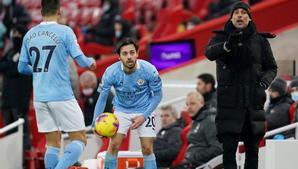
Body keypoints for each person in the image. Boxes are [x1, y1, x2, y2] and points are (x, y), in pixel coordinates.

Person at [17, 0, 96, 169]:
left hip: (40, 97)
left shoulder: (29, 35)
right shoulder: (65, 31)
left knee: (52, 144)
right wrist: (91, 62)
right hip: (61, 95)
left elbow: (21, 67)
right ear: (59, 12)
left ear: (41, 12)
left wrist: (40, 71)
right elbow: (81, 60)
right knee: (80, 139)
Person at [205, 2, 277, 169]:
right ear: (231, 18)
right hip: (229, 105)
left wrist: (263, 83)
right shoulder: (221, 38)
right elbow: (209, 53)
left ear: (249, 18)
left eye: (243, 13)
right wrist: (227, 46)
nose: (239, 15)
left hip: (253, 104)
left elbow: (271, 67)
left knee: (253, 153)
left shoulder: (260, 40)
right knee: (229, 153)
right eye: (236, 12)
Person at [92, 38, 162, 169]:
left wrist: (144, 115)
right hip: (121, 110)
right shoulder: (111, 72)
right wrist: (95, 122)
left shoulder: (149, 70)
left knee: (147, 148)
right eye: (125, 53)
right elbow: (102, 98)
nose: (129, 57)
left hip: (145, 109)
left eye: (132, 52)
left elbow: (158, 95)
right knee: (113, 145)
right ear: (119, 56)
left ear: (137, 53)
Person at [0, 24, 32, 151]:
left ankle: (23, 160)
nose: (15, 37)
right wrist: (9, 65)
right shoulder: (11, 51)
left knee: (22, 131)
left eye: (18, 34)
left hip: (19, 99)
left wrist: (8, 67)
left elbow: (16, 69)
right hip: (7, 98)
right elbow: (2, 66)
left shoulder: (28, 53)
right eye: (14, 34)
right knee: (9, 132)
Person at [172, 91, 222, 169]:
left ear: (202, 103)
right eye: (187, 104)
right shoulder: (197, 120)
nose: (189, 107)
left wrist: (194, 157)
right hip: (190, 163)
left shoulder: (209, 121)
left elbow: (217, 149)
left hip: (201, 165)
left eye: (192, 104)